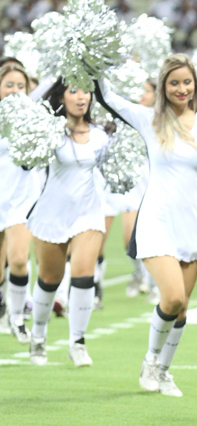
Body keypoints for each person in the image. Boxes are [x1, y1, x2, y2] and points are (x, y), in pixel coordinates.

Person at [95, 54, 197, 397]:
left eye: (187, 82)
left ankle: (164, 370)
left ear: (195, 85)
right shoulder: (149, 120)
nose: (182, 88)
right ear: (163, 87)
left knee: (183, 306)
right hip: (157, 219)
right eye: (174, 83)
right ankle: (150, 361)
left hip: (192, 221)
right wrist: (94, 63)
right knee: (171, 298)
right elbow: (108, 99)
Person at [26, 78, 109, 367]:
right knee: (50, 280)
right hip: (52, 212)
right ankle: (38, 336)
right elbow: (27, 108)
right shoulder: (49, 131)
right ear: (61, 96)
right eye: (73, 90)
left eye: (86, 89)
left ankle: (78, 342)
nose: (81, 96)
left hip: (88, 213)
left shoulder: (101, 135)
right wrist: (53, 75)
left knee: (85, 275)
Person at [100, 79, 157, 305]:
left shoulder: (158, 119)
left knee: (148, 238)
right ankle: (139, 273)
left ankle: (154, 284)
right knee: (128, 238)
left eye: (147, 90)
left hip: (151, 184)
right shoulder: (126, 116)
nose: (141, 94)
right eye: (138, 89)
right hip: (126, 185)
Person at [0, 63, 38, 344]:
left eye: (21, 86)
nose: (15, 91)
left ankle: (16, 317)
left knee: (18, 260)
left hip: (20, 201)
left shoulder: (34, 117)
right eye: (9, 85)